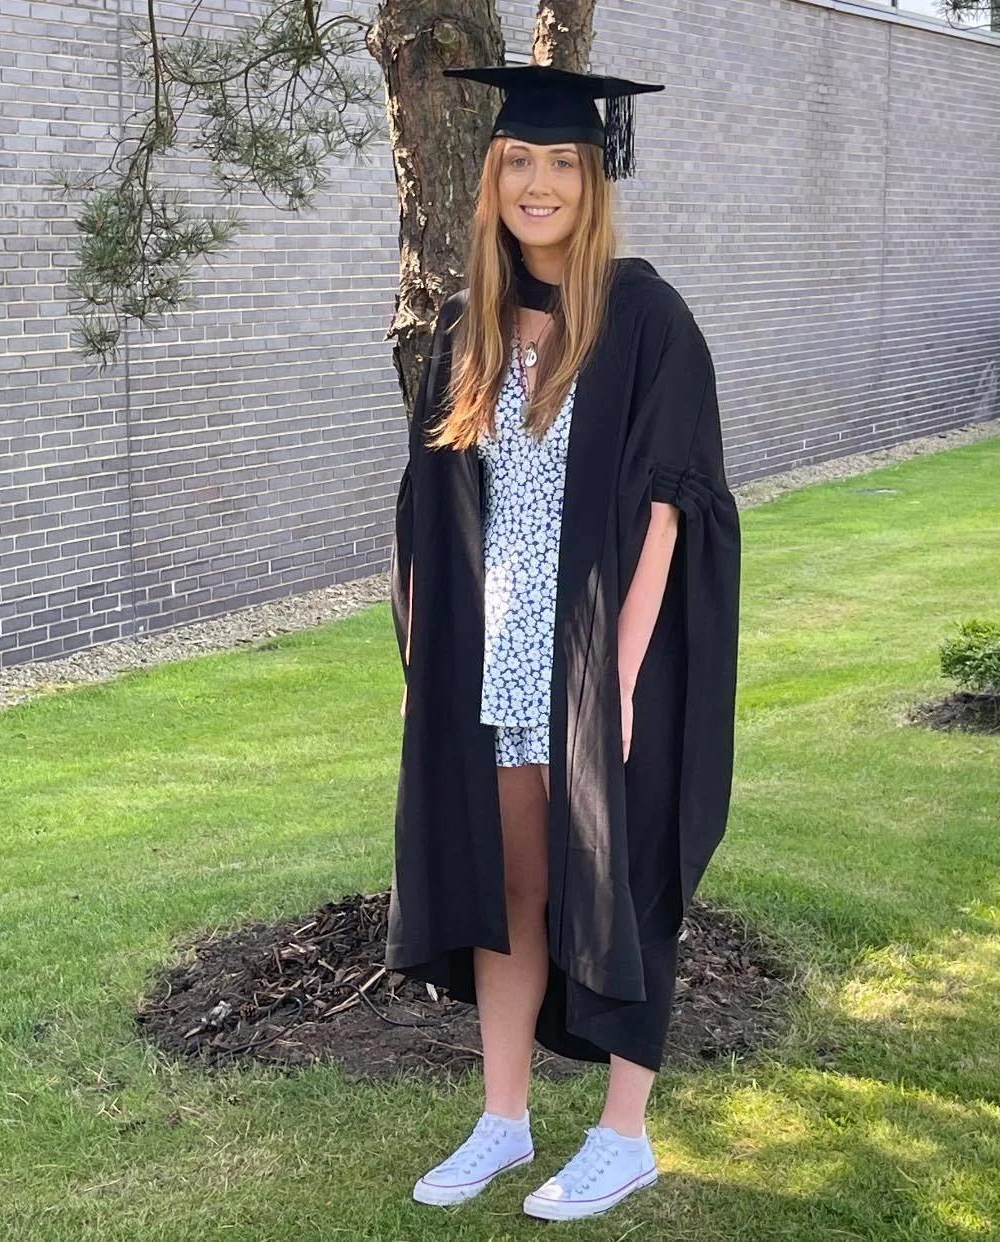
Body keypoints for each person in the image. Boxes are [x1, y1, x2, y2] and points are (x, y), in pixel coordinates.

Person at [384, 62, 741, 1221]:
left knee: (624, 885)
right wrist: (422, 658)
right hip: (497, 657)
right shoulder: (466, 324)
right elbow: (429, 510)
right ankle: (502, 1119)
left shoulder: (643, 314)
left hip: (603, 660)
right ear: (493, 177)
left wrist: (624, 674)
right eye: (520, 163)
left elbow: (673, 503)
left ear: (595, 179)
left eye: (564, 165)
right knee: (516, 882)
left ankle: (623, 1137)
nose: (540, 185)